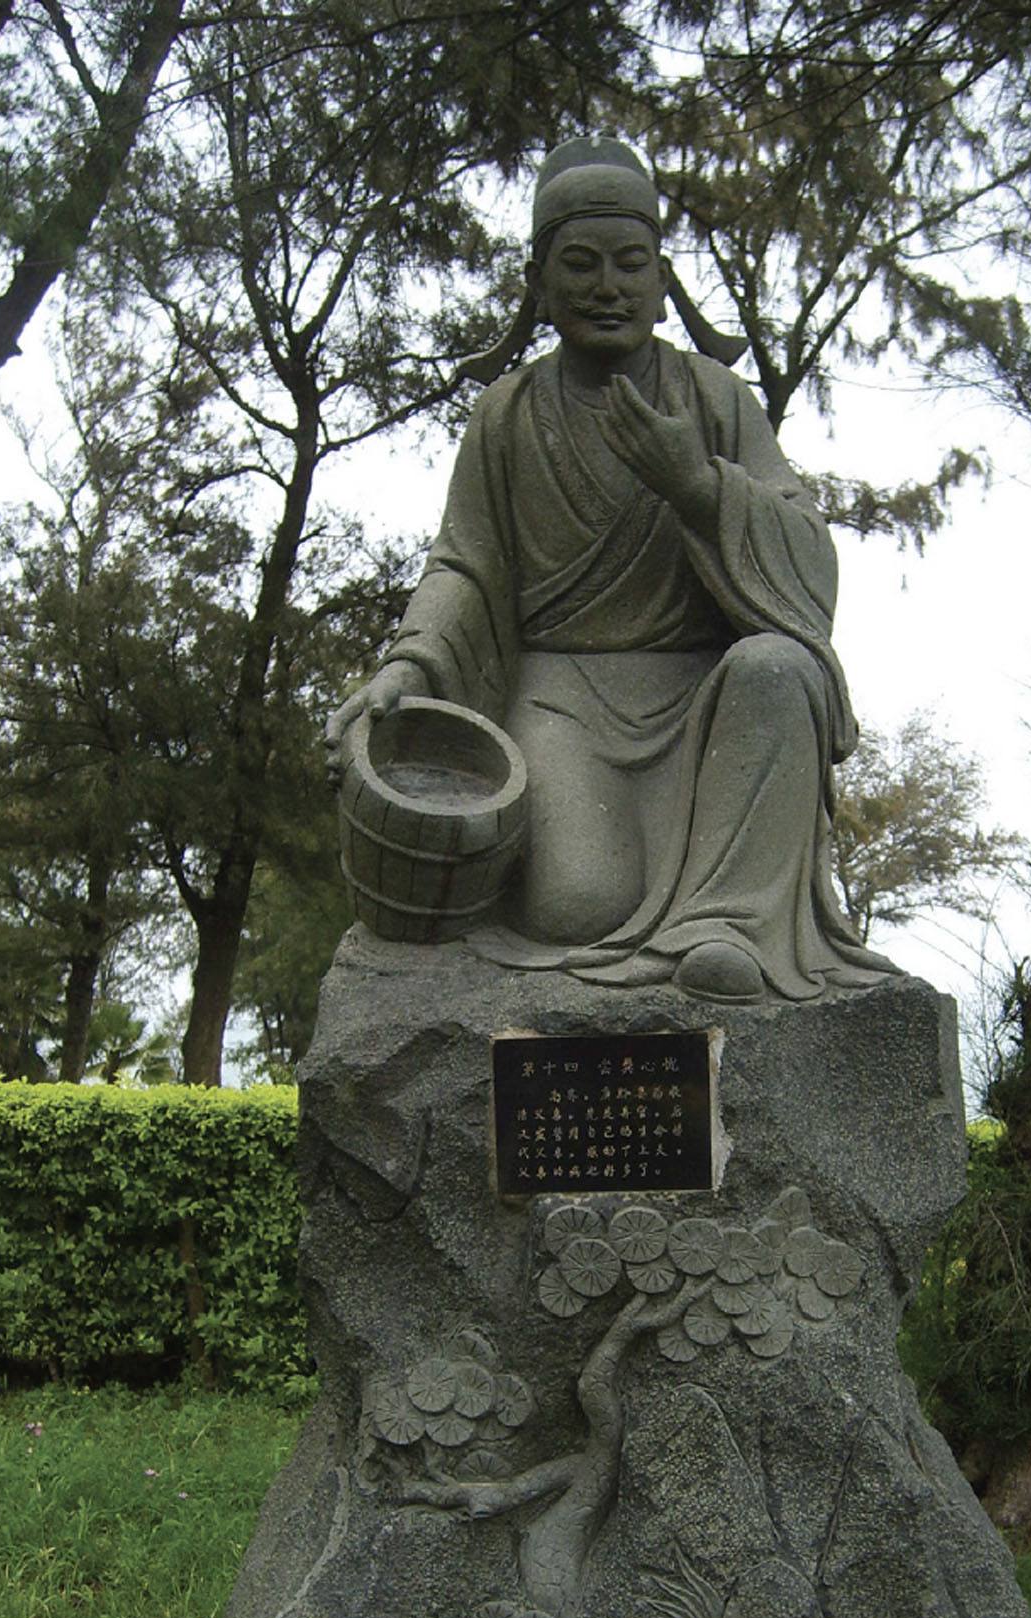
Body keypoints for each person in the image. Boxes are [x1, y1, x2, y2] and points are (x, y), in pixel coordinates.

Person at [326, 136, 892, 1002]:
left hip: (706, 703)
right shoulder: (507, 414)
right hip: (563, 695)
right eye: (580, 264)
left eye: (631, 264)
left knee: (781, 669)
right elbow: (465, 566)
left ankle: (726, 925)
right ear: (539, 282)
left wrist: (699, 488)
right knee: (573, 907)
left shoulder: (712, 398)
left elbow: (808, 566)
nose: (607, 286)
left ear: (663, 281)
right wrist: (404, 667)